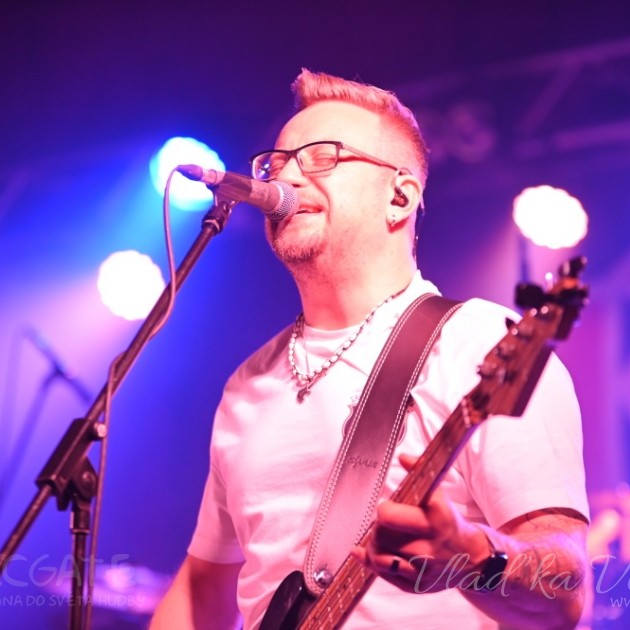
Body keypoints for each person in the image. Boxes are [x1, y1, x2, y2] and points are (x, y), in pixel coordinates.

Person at [150, 68, 590, 629]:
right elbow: (202, 591)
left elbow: (567, 590)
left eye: (322, 157)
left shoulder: (480, 342)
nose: (287, 176)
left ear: (399, 197)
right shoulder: (247, 385)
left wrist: (474, 559)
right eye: (277, 163)